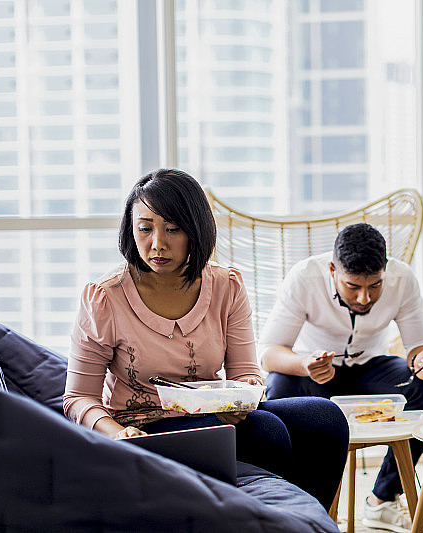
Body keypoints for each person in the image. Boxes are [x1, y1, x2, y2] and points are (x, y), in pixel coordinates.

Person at [63, 169, 348, 511]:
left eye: (173, 229)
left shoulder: (226, 286)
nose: (157, 243)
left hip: (218, 415)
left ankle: (310, 521)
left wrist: (237, 402)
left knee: (324, 418)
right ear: (131, 230)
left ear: (196, 230)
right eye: (145, 228)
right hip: (142, 427)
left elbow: (246, 373)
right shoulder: (105, 298)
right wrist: (115, 433)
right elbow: (78, 398)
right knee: (265, 432)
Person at [260, 222, 423, 533]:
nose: (364, 298)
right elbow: (269, 353)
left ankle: (382, 500)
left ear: (385, 269)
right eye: (353, 286)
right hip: (314, 370)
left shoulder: (403, 279)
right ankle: (296, 501)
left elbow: (418, 346)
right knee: (279, 387)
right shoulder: (304, 277)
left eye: (375, 286)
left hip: (371, 366)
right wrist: (305, 363)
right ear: (332, 269)